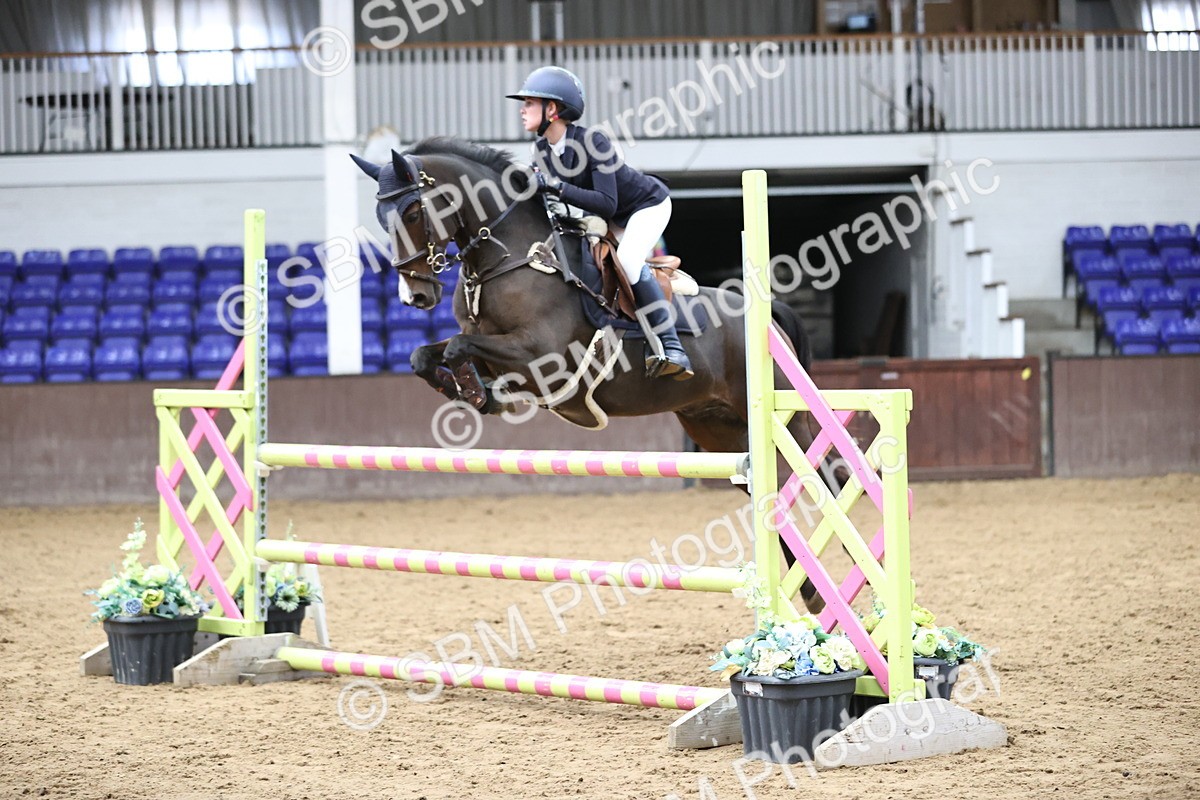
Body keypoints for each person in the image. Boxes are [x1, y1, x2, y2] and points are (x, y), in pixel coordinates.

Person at [507, 66, 693, 381]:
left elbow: (606, 202)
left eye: (530, 103)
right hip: (611, 218)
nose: (523, 110)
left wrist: (553, 186)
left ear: (552, 109)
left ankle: (671, 346)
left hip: (646, 206)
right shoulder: (540, 150)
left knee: (629, 260)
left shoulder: (593, 141)